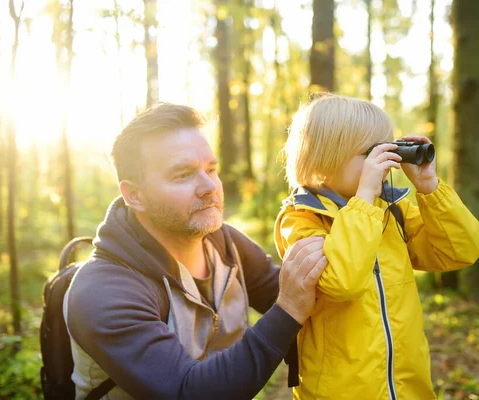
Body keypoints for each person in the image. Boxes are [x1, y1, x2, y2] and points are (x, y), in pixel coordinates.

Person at [63, 103, 328, 399]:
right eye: (182, 175)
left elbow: (290, 293)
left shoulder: (222, 241)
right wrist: (289, 308)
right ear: (135, 195)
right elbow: (188, 391)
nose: (209, 187)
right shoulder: (103, 290)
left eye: (211, 169)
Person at [274, 93, 479, 399]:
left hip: (408, 386)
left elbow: (461, 250)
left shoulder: (392, 211)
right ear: (327, 156)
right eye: (372, 152)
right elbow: (341, 282)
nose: (387, 159)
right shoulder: (302, 219)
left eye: (391, 147)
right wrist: (365, 199)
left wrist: (429, 189)